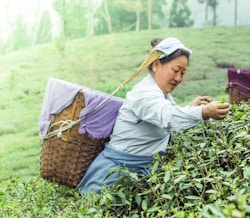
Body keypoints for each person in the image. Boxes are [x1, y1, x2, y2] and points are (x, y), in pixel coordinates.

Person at [77, 37, 230, 194]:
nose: (179, 78)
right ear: (156, 65)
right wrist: (203, 112)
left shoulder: (162, 95)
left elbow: (168, 117)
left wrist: (191, 108)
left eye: (183, 73)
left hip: (137, 176)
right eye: (175, 71)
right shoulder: (143, 93)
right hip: (113, 177)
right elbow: (167, 118)